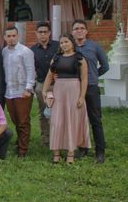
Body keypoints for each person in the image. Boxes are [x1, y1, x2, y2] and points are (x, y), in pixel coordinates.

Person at [41, 33, 90, 164]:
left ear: (72, 43)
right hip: (59, 91)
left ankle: (70, 152)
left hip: (74, 90)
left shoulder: (80, 58)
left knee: (72, 121)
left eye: (66, 42)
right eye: (62, 43)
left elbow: (85, 79)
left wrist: (82, 96)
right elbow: (49, 76)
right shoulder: (56, 58)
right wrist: (44, 90)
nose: (64, 45)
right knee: (57, 122)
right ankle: (56, 153)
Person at [71, 19, 108, 163]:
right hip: (75, 88)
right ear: (72, 32)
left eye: (81, 28)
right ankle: (83, 147)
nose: (79, 30)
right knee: (79, 120)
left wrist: (93, 76)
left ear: (86, 31)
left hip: (91, 87)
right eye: (76, 28)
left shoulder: (94, 47)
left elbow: (105, 66)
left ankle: (100, 151)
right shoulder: (69, 47)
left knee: (95, 119)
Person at [2, 26, 35, 158]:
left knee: (23, 121)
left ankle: (23, 150)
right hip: (9, 91)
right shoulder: (4, 51)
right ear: (4, 38)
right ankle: (20, 142)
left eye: (13, 36)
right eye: (8, 36)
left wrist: (28, 89)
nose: (11, 38)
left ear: (18, 36)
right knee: (15, 120)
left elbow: (31, 70)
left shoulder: (25, 51)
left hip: (22, 91)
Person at [30, 21, 59, 146]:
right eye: (40, 32)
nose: (43, 35)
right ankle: (46, 139)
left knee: (59, 111)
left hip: (59, 84)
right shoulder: (32, 50)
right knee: (44, 112)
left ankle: (59, 137)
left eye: (45, 32)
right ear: (36, 34)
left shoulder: (58, 46)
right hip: (42, 85)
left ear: (49, 33)